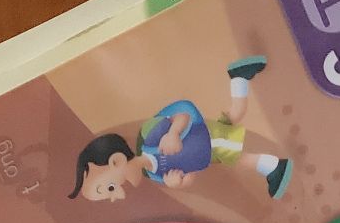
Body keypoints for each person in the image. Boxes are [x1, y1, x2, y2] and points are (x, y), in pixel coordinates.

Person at [68, 59, 292, 202]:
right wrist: (179, 183)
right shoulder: (154, 175)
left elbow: (183, 113)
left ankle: (274, 167)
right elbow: (190, 174)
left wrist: (173, 133)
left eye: (110, 187)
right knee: (237, 112)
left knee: (239, 158)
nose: (118, 194)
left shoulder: (149, 139)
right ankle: (239, 77)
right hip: (207, 154)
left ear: (116, 161)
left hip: (207, 139)